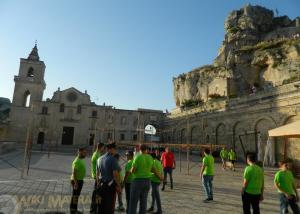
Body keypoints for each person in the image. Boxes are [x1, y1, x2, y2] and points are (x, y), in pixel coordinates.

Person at [128, 144, 163, 214]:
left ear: (140, 149)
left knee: (133, 203)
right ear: (146, 150)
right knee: (143, 203)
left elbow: (133, 170)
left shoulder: (137, 157)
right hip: (147, 181)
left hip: (137, 181)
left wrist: (130, 171)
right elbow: (153, 170)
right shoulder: (150, 157)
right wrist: (161, 178)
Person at [96, 142, 121, 214]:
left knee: (100, 206)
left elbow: (97, 174)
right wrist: (119, 186)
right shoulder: (113, 159)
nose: (116, 151)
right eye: (115, 149)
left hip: (101, 185)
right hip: (109, 186)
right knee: (109, 207)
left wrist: (98, 184)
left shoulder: (99, 159)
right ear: (111, 149)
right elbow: (115, 175)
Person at [70, 147, 87, 214]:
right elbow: (74, 173)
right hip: (76, 181)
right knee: (75, 196)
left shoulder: (81, 159)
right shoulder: (77, 161)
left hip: (80, 180)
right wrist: (76, 183)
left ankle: (75, 210)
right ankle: (73, 211)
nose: (85, 154)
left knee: (76, 196)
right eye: (84, 153)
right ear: (80, 152)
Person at [90, 142, 105, 214]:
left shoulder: (96, 154)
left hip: (97, 176)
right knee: (96, 194)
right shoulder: (97, 155)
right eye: (103, 147)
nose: (104, 149)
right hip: (97, 177)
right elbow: (98, 168)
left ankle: (95, 208)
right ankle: (93, 209)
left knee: (97, 193)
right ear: (101, 147)